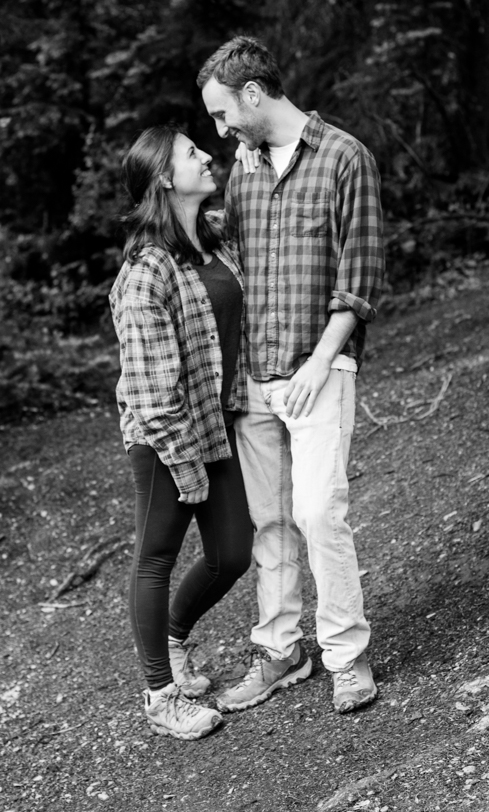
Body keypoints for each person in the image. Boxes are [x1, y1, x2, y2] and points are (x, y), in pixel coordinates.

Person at [197, 36, 385, 715]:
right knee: (269, 520)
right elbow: (236, 253)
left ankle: (346, 654)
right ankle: (281, 650)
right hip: (256, 375)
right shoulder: (243, 167)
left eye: (223, 114)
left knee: (318, 510)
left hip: (319, 367)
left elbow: (360, 280)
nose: (221, 130)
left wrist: (318, 360)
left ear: (252, 94)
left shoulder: (344, 157)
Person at [109, 125, 254, 740]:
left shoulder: (215, 241)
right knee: (155, 557)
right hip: (163, 438)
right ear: (166, 178)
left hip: (214, 423)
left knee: (230, 554)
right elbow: (150, 393)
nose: (206, 155)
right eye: (192, 152)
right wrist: (184, 463)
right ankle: (160, 696)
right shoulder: (146, 273)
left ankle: (171, 638)